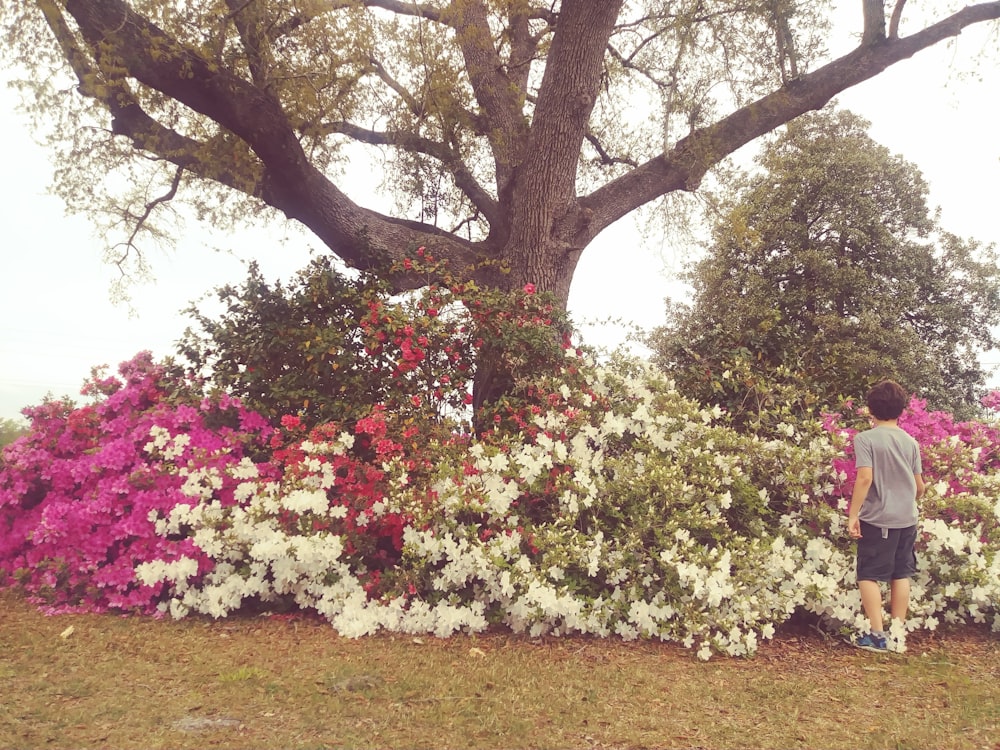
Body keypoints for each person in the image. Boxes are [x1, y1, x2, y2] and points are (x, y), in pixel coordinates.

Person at [847, 380, 925, 652]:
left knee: (868, 574)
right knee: (900, 573)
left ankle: (877, 636)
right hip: (907, 519)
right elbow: (920, 487)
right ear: (901, 410)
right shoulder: (910, 442)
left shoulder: (866, 439)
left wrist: (853, 514)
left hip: (879, 519)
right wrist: (906, 502)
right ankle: (897, 635)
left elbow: (865, 478)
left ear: (871, 409)